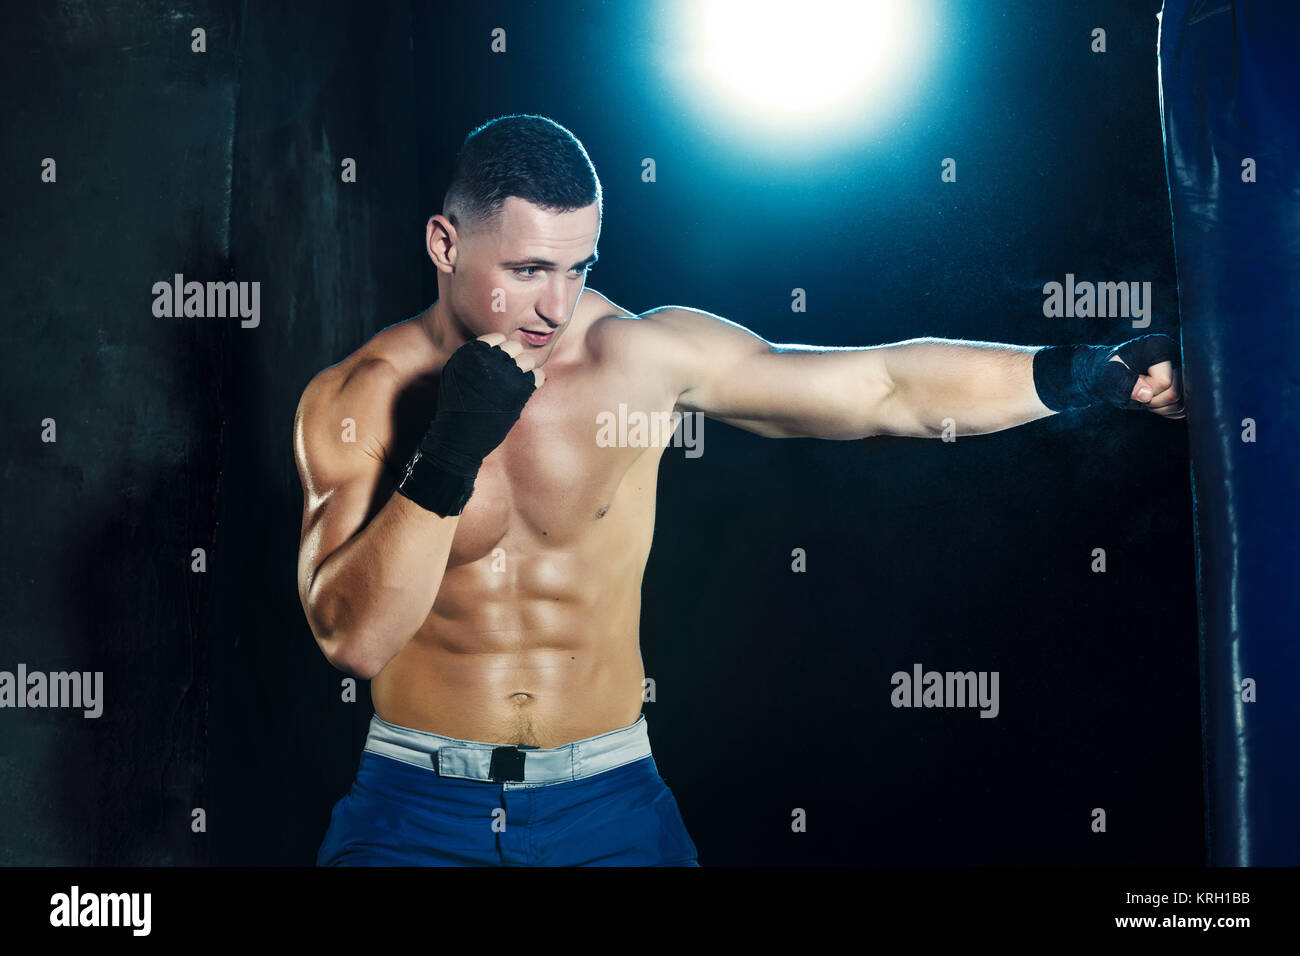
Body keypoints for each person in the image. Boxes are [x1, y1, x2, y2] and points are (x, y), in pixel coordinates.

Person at [294, 113, 1183, 867]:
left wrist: (1077, 373)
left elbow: (882, 389)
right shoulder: (359, 395)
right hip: (415, 808)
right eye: (528, 270)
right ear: (445, 244)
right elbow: (355, 641)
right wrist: (450, 450)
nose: (556, 306)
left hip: (607, 801)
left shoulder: (635, 357)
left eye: (579, 267)